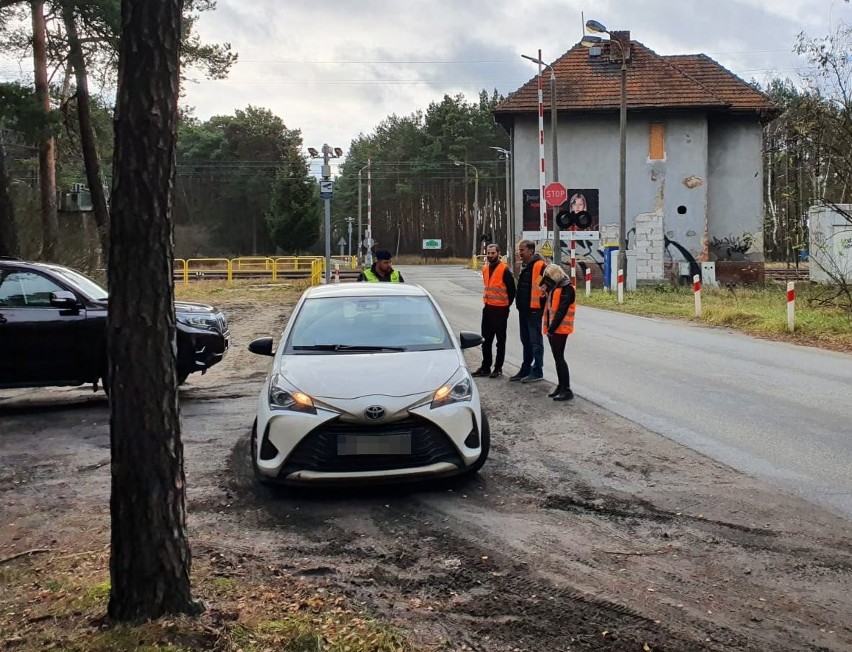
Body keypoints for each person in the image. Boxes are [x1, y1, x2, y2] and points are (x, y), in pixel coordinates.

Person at [471, 244, 516, 379]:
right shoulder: (485, 269)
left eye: (492, 253)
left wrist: (506, 306)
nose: (490, 255)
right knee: (486, 340)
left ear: (498, 254)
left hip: (501, 310)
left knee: (500, 341)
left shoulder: (504, 270)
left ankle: (498, 368)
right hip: (488, 308)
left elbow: (512, 290)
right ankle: (485, 367)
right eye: (488, 253)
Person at [509, 239, 547, 383]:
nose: (519, 252)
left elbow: (545, 287)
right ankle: (526, 369)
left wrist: (541, 304)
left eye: (522, 250)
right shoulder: (526, 266)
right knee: (525, 340)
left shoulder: (540, 266)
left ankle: (537, 370)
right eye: (519, 250)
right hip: (524, 309)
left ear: (531, 251)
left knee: (535, 341)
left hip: (534, 310)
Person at [539, 263, 576, 401]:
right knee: (557, 358)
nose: (547, 280)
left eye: (548, 277)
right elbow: (546, 308)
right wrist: (543, 295)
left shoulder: (567, 289)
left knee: (560, 358)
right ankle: (561, 386)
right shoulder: (554, 288)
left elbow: (561, 311)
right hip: (553, 328)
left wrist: (551, 329)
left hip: (560, 329)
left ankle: (566, 389)